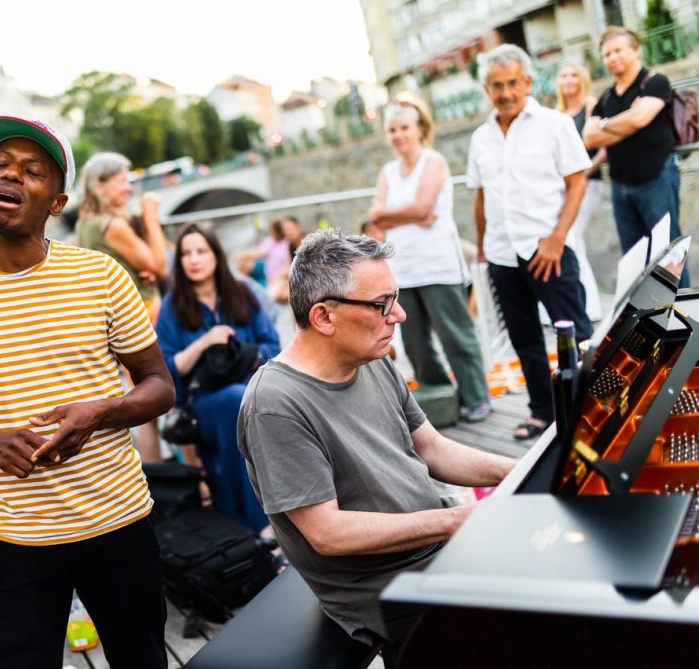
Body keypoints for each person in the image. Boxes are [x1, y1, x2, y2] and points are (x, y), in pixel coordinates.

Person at [0, 116, 174, 668]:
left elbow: (159, 387)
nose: (10, 175)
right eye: (0, 164)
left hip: (118, 520)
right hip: (13, 536)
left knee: (142, 661)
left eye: (32, 171)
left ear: (57, 202)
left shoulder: (99, 274)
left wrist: (101, 411)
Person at [237, 230, 515, 657]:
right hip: (386, 586)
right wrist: (457, 521)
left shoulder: (371, 358)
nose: (400, 315)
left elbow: (433, 450)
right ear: (324, 317)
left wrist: (521, 468)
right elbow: (328, 535)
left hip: (435, 546)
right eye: (382, 304)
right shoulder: (274, 404)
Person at [467, 44, 593, 441]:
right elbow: (481, 196)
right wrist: (484, 247)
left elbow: (577, 183)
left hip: (549, 250)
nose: (505, 93)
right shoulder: (479, 138)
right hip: (503, 253)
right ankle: (543, 412)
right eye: (496, 85)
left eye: (512, 83)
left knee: (576, 334)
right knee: (524, 338)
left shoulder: (555, 124)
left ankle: (592, 410)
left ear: (528, 81)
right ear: (486, 88)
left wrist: (557, 239)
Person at [369, 94, 491, 423]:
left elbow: (422, 208)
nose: (398, 135)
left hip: (437, 265)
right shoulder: (387, 171)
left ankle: (476, 397)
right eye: (392, 129)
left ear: (420, 128)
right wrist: (408, 215)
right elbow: (375, 217)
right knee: (416, 344)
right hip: (403, 269)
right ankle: (441, 399)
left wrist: (399, 214)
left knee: (456, 336)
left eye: (404, 127)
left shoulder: (433, 161)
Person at [154, 223, 281, 533]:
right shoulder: (173, 307)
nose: (194, 260)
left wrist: (242, 354)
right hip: (204, 400)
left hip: (251, 387)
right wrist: (204, 343)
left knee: (246, 400)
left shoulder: (243, 293)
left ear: (216, 255)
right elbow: (167, 367)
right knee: (235, 403)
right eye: (186, 254)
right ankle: (258, 525)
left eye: (201, 251)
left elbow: (272, 345)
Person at [75, 151, 169, 463]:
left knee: (148, 414)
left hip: (122, 323)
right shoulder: (111, 225)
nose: (128, 188)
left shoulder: (87, 225)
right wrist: (151, 215)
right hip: (148, 315)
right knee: (167, 399)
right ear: (99, 186)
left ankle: (161, 480)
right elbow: (160, 265)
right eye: (121, 182)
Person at [584, 26, 686, 285]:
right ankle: (645, 320)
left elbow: (640, 118)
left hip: (656, 180)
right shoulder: (606, 96)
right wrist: (626, 123)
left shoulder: (654, 82)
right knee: (634, 258)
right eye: (606, 54)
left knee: (669, 254)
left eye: (618, 50)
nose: (612, 57)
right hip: (620, 186)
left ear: (636, 50)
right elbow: (589, 137)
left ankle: (683, 316)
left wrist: (605, 125)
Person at [556, 60, 605, 321]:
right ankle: (578, 303)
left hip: (588, 183)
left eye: (574, 74)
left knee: (572, 236)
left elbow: (603, 149)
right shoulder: (557, 113)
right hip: (564, 187)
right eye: (564, 75)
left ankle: (591, 307)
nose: (569, 80)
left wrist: (581, 174)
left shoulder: (591, 106)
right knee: (572, 240)